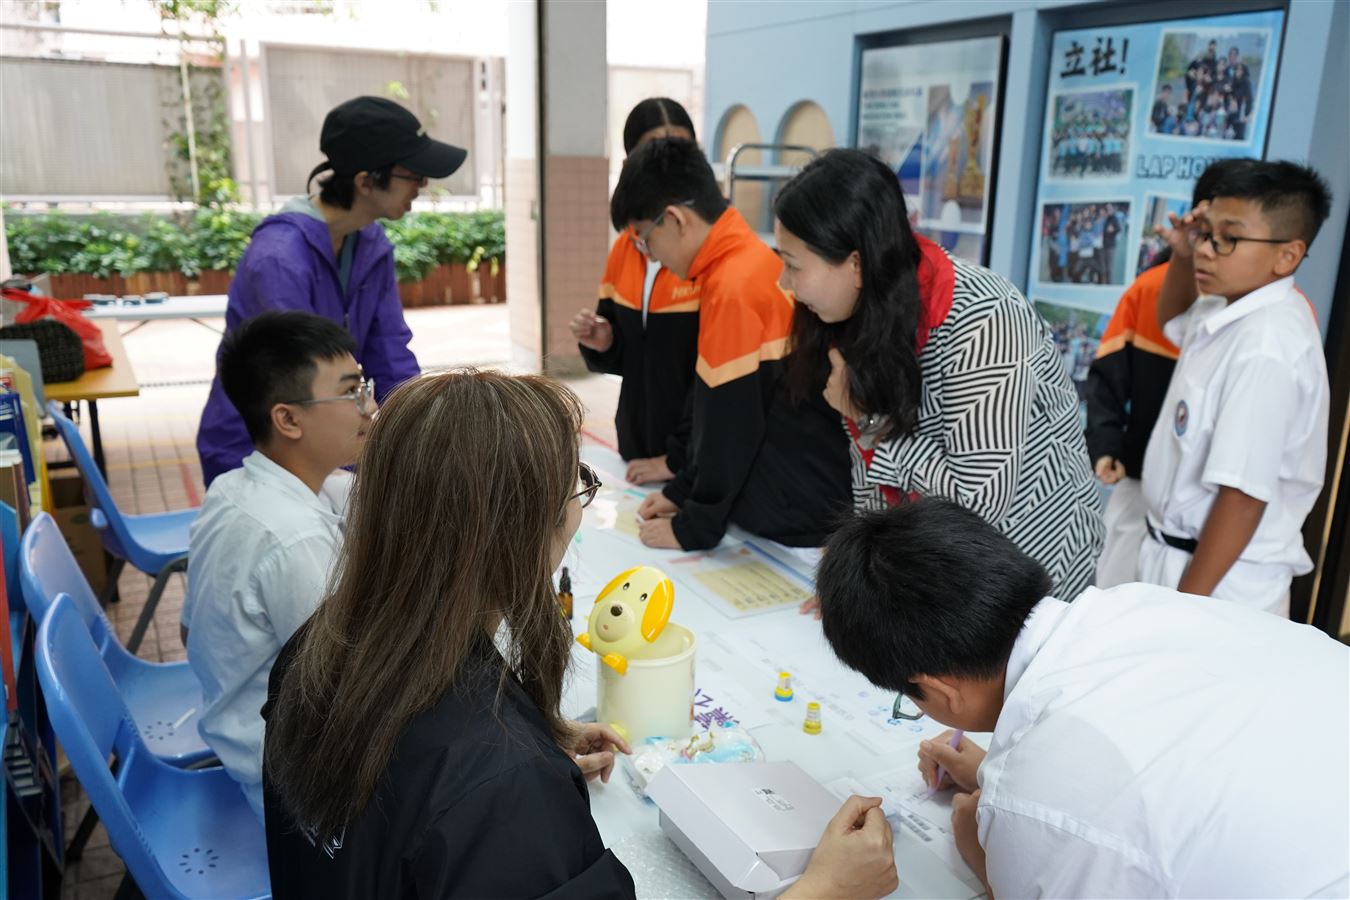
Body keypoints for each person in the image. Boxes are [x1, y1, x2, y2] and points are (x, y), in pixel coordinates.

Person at [261, 370, 898, 899]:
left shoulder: (321, 645)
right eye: (577, 487)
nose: (579, 507)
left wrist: (528, 741)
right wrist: (825, 890)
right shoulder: (502, 788)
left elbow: (402, 809)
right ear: (518, 530)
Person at [816, 499, 1349, 899]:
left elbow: (1083, 809)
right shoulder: (1134, 604)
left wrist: (985, 853)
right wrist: (999, 774)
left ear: (936, 688)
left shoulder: (1038, 806)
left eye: (910, 699)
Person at [774, 149, 1102, 605]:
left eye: (793, 264)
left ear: (855, 263)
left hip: (1032, 568)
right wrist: (856, 580)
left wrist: (871, 427)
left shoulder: (984, 319)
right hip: (940, 566)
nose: (784, 282)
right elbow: (870, 474)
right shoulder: (859, 315)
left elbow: (978, 501)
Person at [196, 95, 466, 485]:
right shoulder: (279, 258)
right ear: (366, 181)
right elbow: (300, 382)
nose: (422, 187)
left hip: (329, 443)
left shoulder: (370, 245)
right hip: (259, 455)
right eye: (413, 175)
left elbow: (389, 353)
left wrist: (425, 427)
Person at [610, 139, 852, 551]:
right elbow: (712, 402)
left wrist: (692, 527)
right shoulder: (741, 260)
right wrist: (682, 489)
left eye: (645, 239)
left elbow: (729, 423)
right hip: (810, 492)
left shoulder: (733, 287)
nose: (650, 256)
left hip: (795, 510)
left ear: (675, 219)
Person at [184, 311, 375, 820]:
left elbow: (367, 496)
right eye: (352, 393)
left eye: (366, 387)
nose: (371, 408)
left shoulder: (237, 486)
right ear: (288, 420)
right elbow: (351, 688)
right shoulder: (294, 539)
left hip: (237, 725)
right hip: (288, 777)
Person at [1141, 159, 1331, 617]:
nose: (1207, 249)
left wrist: (1184, 607)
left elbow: (1242, 498)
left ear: (1287, 255)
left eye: (1228, 238)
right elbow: (1172, 322)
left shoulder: (1267, 347)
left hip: (1218, 583)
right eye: (1205, 233)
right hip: (1176, 558)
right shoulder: (1228, 308)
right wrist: (1181, 255)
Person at [1086, 162, 1238, 587]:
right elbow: (1107, 374)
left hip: (1214, 503)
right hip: (1141, 483)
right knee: (1116, 595)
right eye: (1208, 231)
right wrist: (1106, 443)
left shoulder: (1266, 317)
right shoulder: (1150, 288)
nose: (1211, 248)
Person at [571, 98, 700, 485]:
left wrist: (679, 457)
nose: (668, 163)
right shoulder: (625, 248)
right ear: (630, 164)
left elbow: (721, 383)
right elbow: (634, 359)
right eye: (654, 149)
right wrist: (605, 342)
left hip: (696, 458)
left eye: (680, 149)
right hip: (636, 449)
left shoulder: (709, 252)